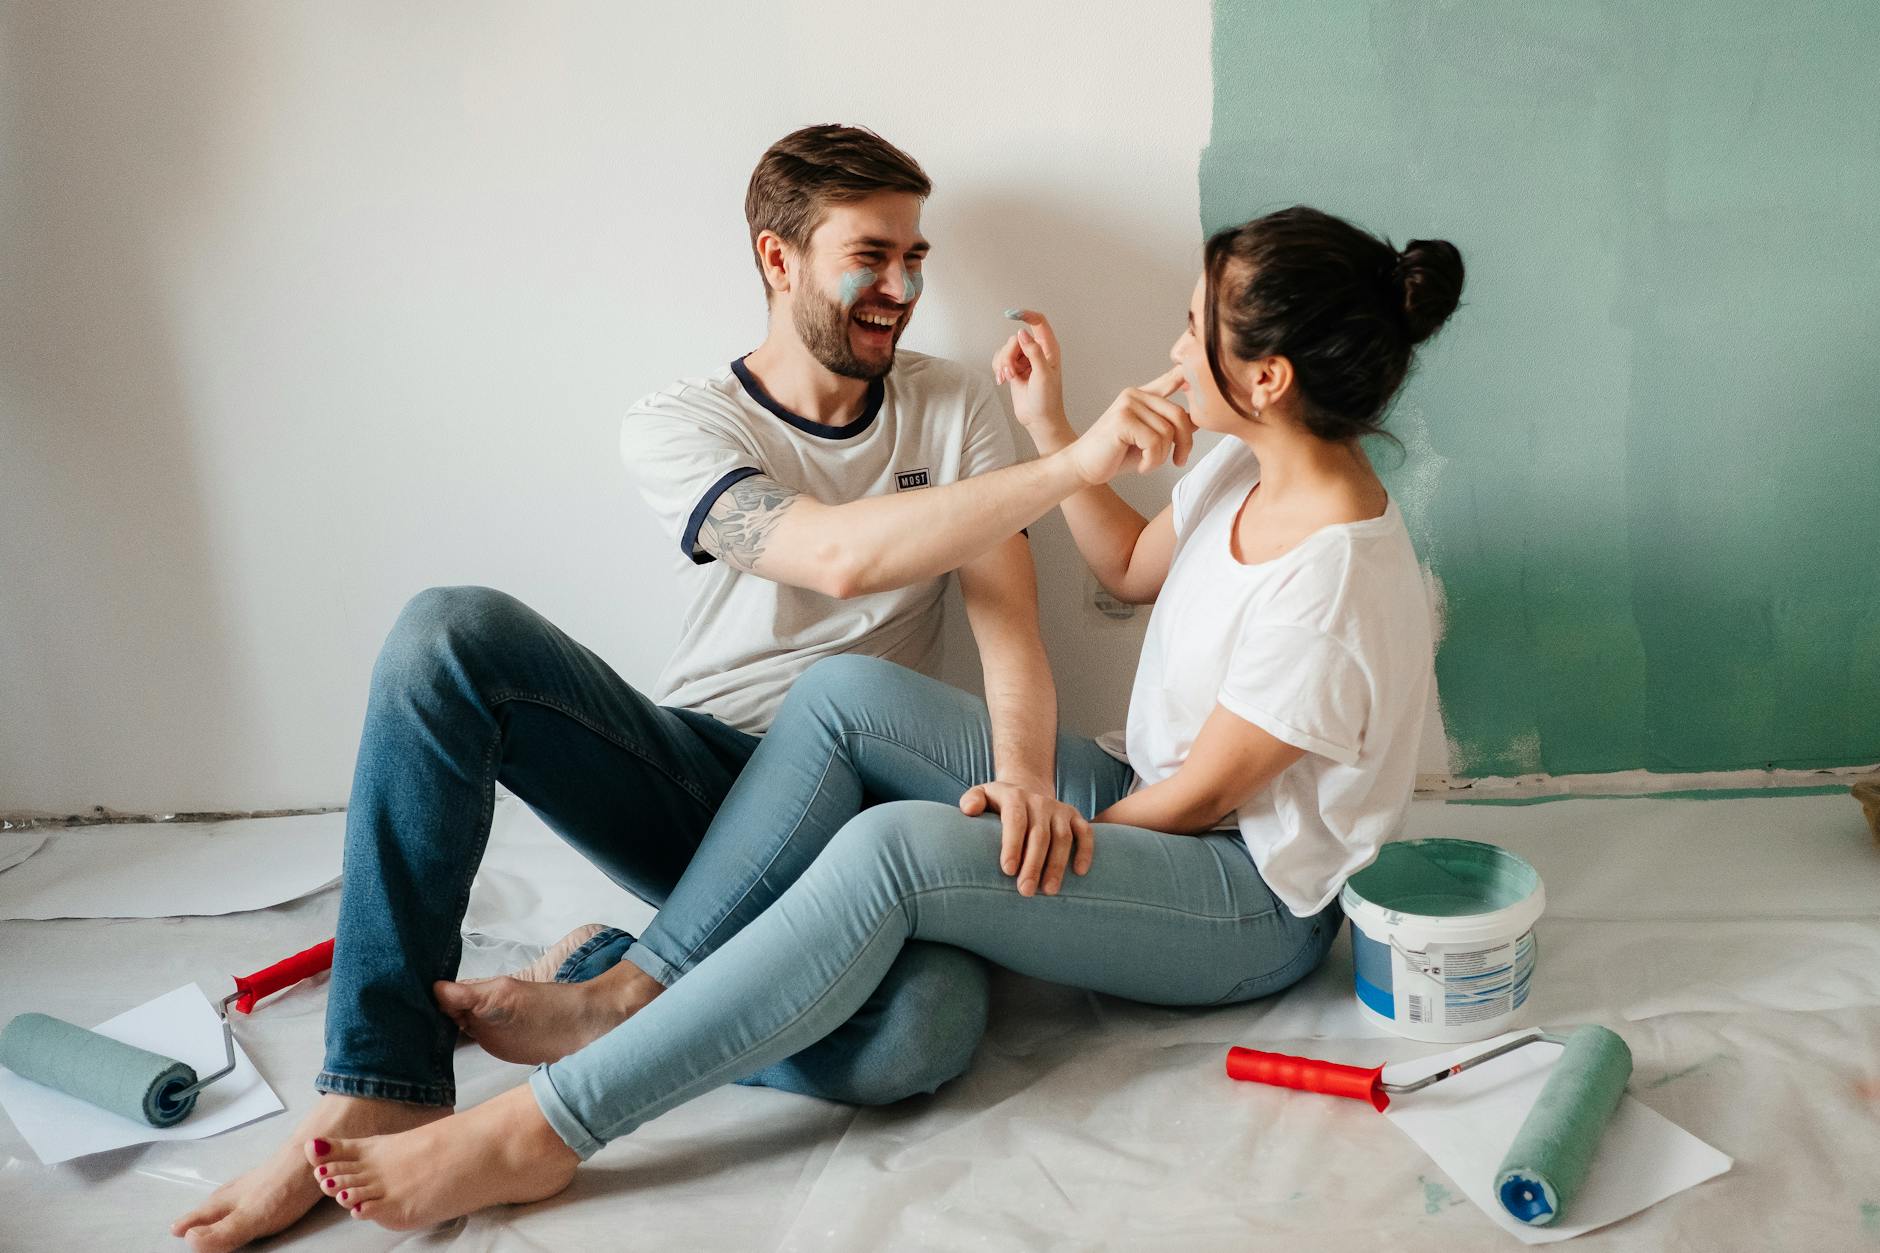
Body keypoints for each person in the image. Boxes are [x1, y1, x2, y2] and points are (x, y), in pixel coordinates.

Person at [286, 205, 1467, 1232]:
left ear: (1265, 379)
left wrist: (1038, 825)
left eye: (1193, 328)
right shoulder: (1240, 465)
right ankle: (632, 987)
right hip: (1155, 798)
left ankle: (541, 1133)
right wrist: (1057, 426)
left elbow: (1209, 798)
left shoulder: (1337, 583)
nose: (1170, 347)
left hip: (1241, 895)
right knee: (844, 693)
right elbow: (1124, 563)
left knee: (897, 853)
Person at [171, 123, 1180, 1253]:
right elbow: (834, 553)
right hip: (700, 783)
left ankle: (618, 981)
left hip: (868, 821)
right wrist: (1071, 462)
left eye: (914, 256)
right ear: (776, 257)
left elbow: (1008, 628)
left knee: (923, 1033)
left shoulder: (954, 410)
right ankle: (379, 1075)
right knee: (447, 633)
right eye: (870, 254)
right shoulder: (680, 420)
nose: (899, 285)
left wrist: (1027, 778)